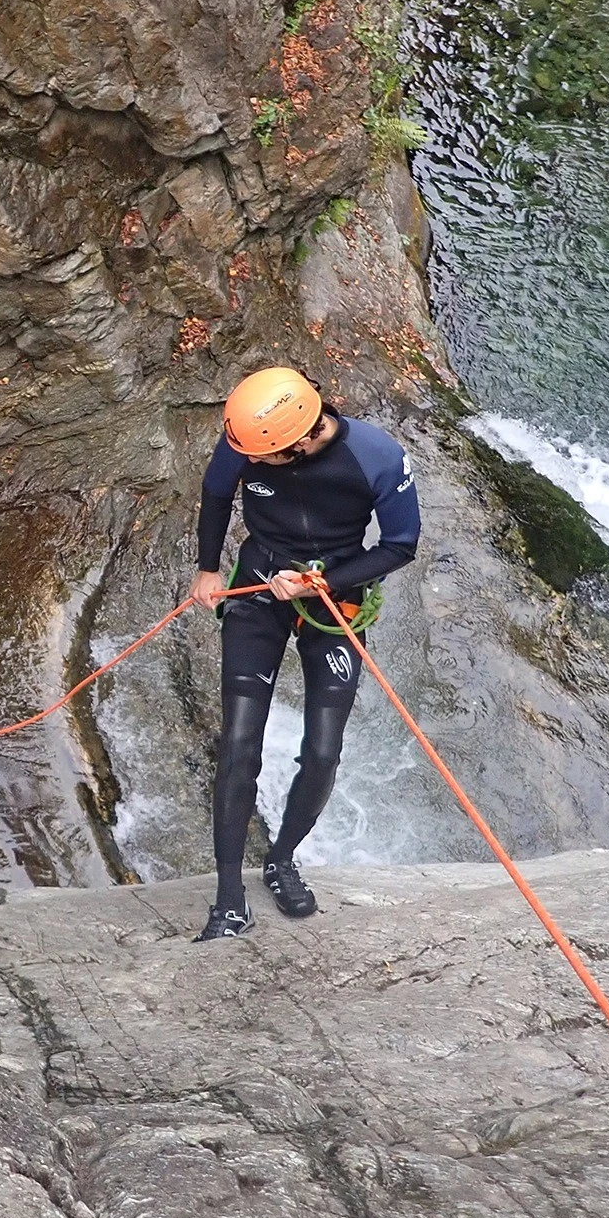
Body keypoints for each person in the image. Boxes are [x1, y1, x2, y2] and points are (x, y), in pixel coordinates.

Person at [187, 367, 420, 941]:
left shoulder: (376, 456)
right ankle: (227, 899)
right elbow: (217, 494)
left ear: (299, 443)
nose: (248, 465)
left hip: (333, 595)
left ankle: (281, 858)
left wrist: (327, 580)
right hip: (260, 583)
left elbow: (399, 545)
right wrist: (209, 568)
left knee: (322, 750)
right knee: (239, 742)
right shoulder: (250, 437)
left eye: (260, 460)